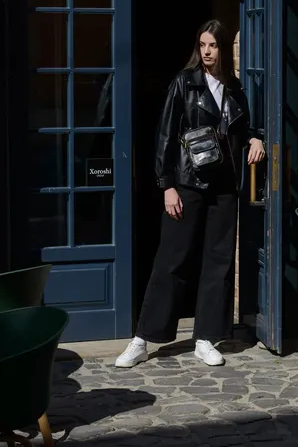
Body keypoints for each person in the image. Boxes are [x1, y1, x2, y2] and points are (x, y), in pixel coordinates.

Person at [115, 20, 265, 368]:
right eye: (202, 45)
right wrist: (166, 185)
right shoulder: (185, 82)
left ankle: (206, 338)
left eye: (213, 45)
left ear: (223, 49)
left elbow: (242, 128)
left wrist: (255, 137)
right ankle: (142, 339)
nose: (207, 52)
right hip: (188, 183)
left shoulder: (234, 88)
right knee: (172, 259)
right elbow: (165, 135)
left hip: (224, 187)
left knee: (219, 262)